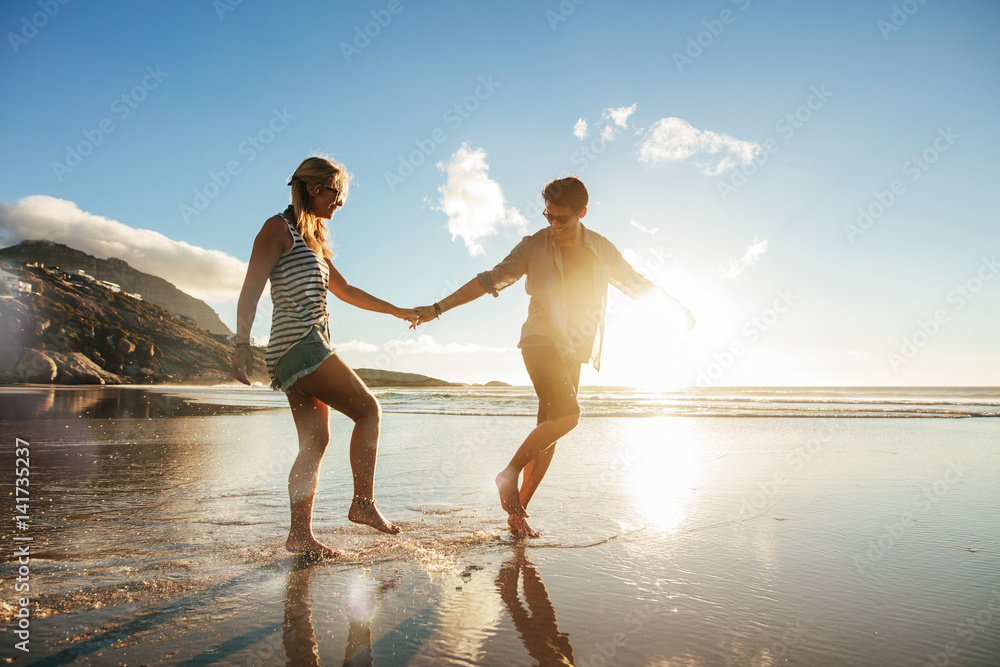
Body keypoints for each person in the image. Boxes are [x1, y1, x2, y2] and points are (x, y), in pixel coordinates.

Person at [412, 176, 694, 537]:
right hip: (541, 340)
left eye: (562, 218)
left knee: (550, 431)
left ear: (582, 213)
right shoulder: (534, 245)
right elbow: (489, 280)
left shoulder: (602, 249)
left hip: (573, 350)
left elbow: (635, 283)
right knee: (569, 415)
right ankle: (507, 475)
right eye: (549, 216)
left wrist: (676, 308)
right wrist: (437, 308)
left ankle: (518, 516)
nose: (554, 225)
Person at [232, 155, 411, 558]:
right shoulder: (276, 229)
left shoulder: (311, 238)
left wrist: (398, 311)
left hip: (299, 349)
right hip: (301, 345)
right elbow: (250, 288)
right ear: (313, 188)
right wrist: (241, 343)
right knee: (369, 410)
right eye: (337, 193)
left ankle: (300, 536)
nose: (340, 203)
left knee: (315, 440)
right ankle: (362, 503)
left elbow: (346, 291)